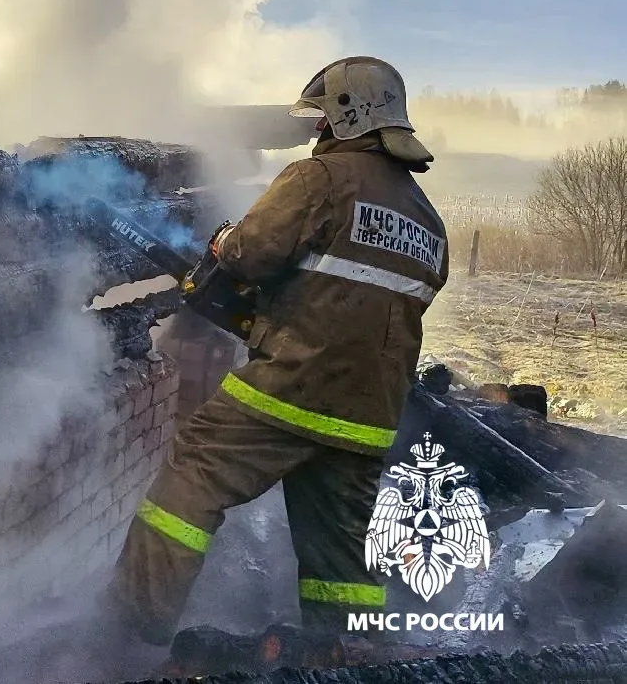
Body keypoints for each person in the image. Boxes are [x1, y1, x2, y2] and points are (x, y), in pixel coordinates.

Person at [104, 56, 450, 657]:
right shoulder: (429, 223)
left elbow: (250, 254)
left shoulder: (319, 179)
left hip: (291, 387)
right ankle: (351, 658)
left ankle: (127, 638)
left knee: (194, 477)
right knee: (342, 557)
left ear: (350, 114)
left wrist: (223, 242)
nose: (316, 132)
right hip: (369, 419)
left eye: (321, 119)